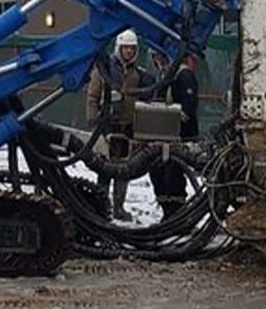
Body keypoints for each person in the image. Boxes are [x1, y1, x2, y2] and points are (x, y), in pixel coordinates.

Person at [85, 29, 153, 222]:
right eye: (126, 48)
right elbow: (92, 97)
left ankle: (118, 208)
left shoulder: (138, 74)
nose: (129, 52)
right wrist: (93, 124)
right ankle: (102, 206)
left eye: (132, 49)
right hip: (107, 128)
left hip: (127, 129)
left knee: (123, 171)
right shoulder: (104, 70)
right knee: (105, 169)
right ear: (119, 48)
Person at [149, 50, 200, 221]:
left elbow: (188, 108)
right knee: (158, 172)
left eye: (161, 56)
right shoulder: (162, 75)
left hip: (180, 137)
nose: (159, 60)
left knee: (173, 175)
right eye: (156, 56)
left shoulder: (183, 75)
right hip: (162, 135)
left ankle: (176, 213)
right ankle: (167, 211)